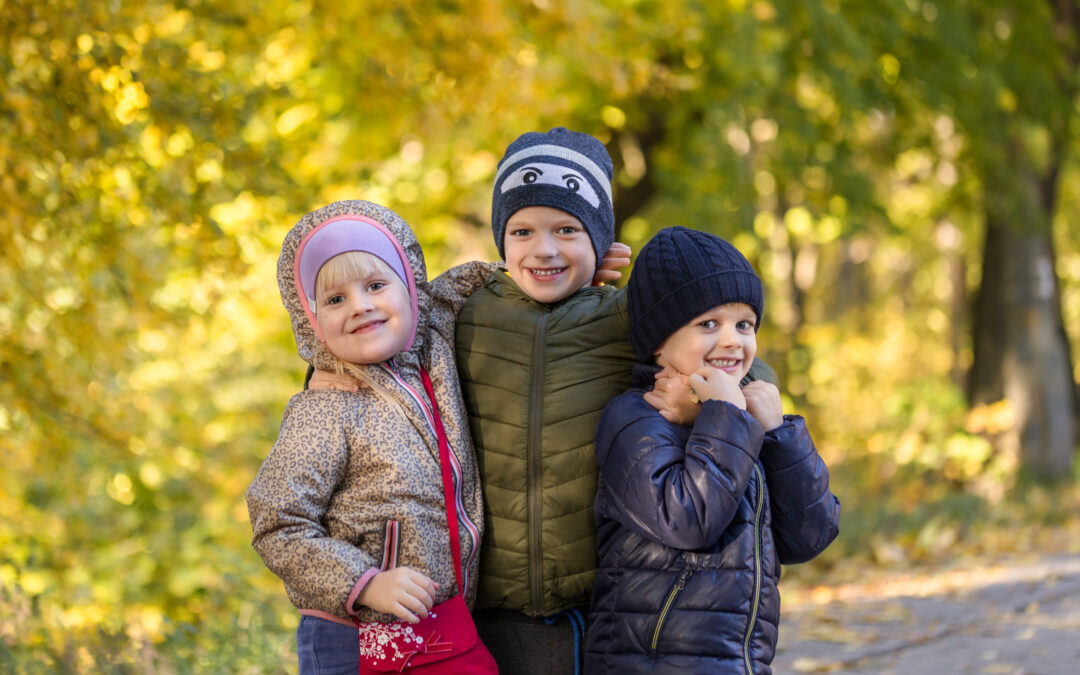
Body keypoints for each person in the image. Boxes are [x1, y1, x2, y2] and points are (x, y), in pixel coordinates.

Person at [454, 128, 778, 673]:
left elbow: (723, 351)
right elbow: (380, 327)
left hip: (596, 595)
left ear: (602, 240)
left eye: (568, 229)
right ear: (500, 239)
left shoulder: (619, 317)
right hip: (490, 599)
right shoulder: (467, 317)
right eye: (523, 231)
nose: (546, 248)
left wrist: (712, 404)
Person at [246, 199, 499, 674]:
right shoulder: (325, 409)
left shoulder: (432, 344)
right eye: (335, 299)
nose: (361, 305)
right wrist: (364, 582)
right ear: (312, 320)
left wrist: (581, 262)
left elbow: (483, 280)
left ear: (411, 292)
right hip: (354, 636)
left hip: (443, 627)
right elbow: (278, 523)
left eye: (376, 285)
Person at [583, 226, 841, 674]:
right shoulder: (633, 419)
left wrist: (778, 433)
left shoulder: (739, 421)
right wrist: (723, 414)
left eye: (744, 324)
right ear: (659, 341)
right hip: (650, 662)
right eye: (708, 324)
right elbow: (689, 520)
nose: (732, 340)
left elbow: (809, 537)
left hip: (735, 661)